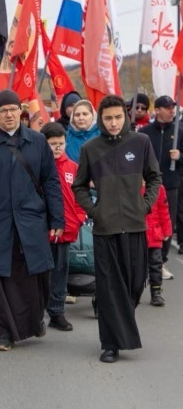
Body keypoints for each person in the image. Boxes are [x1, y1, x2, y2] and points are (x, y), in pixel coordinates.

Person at [0, 90, 64, 352]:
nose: (8, 114)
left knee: (36, 273)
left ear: (21, 111)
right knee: (0, 278)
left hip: (32, 220)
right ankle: (4, 332)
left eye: (13, 109)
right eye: (3, 110)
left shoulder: (38, 142)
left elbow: (51, 182)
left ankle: (34, 320)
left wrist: (57, 218)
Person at [72, 95, 162, 363]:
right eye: (108, 118)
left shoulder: (141, 142)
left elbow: (155, 177)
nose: (113, 123)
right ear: (101, 119)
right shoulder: (91, 148)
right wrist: (95, 211)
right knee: (110, 288)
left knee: (134, 285)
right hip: (105, 230)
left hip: (135, 227)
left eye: (118, 117)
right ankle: (110, 343)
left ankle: (119, 329)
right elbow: (79, 186)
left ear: (125, 117)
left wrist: (145, 205)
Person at [39, 122, 86, 331]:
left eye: (60, 143)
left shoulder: (72, 167)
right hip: (41, 230)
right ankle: (36, 311)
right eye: (52, 144)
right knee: (40, 273)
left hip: (66, 230)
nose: (57, 148)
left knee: (60, 271)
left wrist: (79, 218)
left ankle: (57, 312)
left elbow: (80, 196)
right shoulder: (38, 166)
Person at [139, 95, 181, 280]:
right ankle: (143, 260)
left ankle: (161, 262)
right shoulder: (146, 132)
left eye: (173, 107)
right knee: (144, 221)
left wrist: (180, 156)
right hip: (146, 185)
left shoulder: (180, 131)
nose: (172, 110)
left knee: (166, 224)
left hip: (170, 185)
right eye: (167, 107)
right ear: (157, 110)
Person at [145, 182, 172, 307]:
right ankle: (134, 292)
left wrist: (167, 230)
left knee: (156, 265)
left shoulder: (159, 188)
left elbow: (164, 210)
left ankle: (156, 293)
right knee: (136, 266)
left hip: (155, 235)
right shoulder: (132, 185)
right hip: (138, 235)